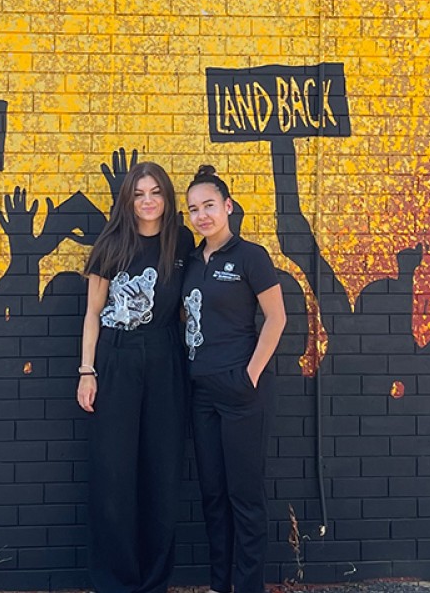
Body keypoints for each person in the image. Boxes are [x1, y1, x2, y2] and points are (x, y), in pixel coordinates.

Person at [75, 160, 192, 593]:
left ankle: (154, 581)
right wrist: (87, 371)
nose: (148, 201)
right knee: (114, 472)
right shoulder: (111, 243)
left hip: (165, 355)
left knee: (162, 471)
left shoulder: (180, 241)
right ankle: (115, 581)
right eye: (139, 193)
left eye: (155, 192)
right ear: (128, 198)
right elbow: (92, 313)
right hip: (117, 356)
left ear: (167, 197)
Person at [181, 165, 286, 593]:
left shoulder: (250, 256)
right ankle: (219, 584)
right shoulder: (190, 260)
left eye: (209, 205)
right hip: (201, 391)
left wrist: (250, 374)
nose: (202, 215)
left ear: (227, 206)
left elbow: (276, 318)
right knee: (213, 496)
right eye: (193, 209)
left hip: (240, 392)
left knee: (245, 499)